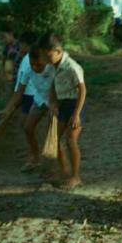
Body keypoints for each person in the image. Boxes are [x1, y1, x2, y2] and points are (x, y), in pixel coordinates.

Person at [38, 32, 87, 190]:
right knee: (55, 140)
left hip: (75, 104)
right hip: (62, 104)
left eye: (48, 55)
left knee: (71, 140)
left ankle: (76, 176)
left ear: (58, 51)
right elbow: (52, 86)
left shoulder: (72, 66)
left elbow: (83, 90)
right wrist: (52, 103)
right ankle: (64, 171)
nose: (46, 59)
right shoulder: (53, 66)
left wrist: (76, 114)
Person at [0, 44, 56, 172]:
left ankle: (55, 168)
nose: (35, 68)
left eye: (38, 65)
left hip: (56, 101)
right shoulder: (29, 68)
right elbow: (19, 91)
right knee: (28, 127)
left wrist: (54, 105)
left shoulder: (54, 68)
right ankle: (35, 158)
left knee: (54, 134)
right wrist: (7, 109)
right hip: (40, 100)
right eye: (32, 65)